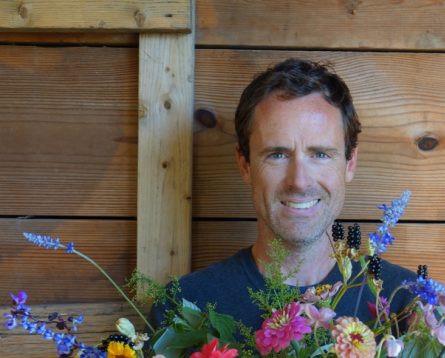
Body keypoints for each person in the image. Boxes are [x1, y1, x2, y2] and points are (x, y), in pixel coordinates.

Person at [149, 58, 417, 331]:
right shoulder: (183, 307)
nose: (299, 181)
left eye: (320, 154)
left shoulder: (408, 307)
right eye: (277, 154)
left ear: (350, 163)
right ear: (245, 165)